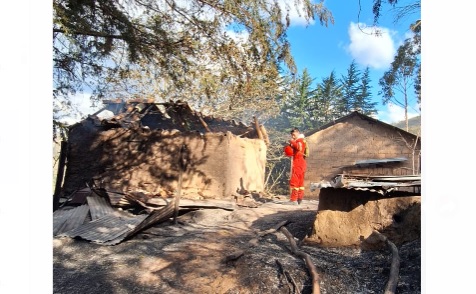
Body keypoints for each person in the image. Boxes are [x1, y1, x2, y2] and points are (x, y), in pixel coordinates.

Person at [285, 127, 307, 205]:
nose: (293, 137)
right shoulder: (303, 140)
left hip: (298, 163)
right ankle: (299, 199)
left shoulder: (299, 140)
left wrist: (291, 142)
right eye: (292, 135)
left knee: (295, 181)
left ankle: (293, 200)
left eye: (294, 135)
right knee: (300, 182)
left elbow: (298, 147)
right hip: (302, 163)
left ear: (297, 133)